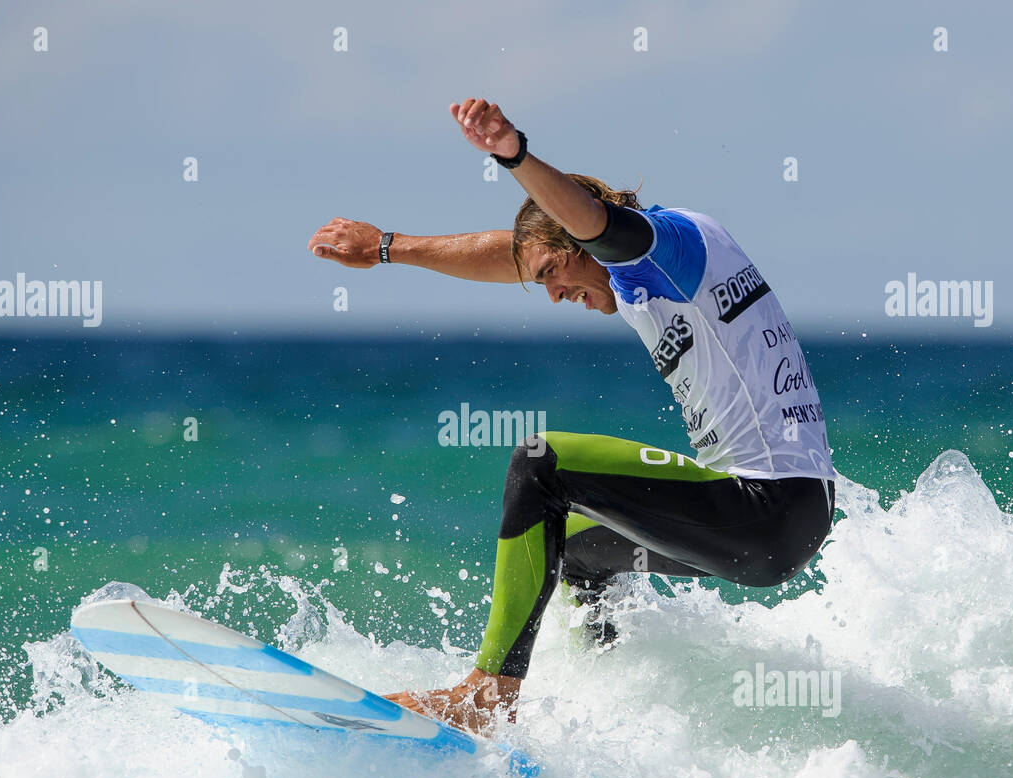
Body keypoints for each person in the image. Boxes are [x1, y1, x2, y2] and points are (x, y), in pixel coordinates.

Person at [307, 98, 836, 736]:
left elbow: (586, 223)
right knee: (579, 552)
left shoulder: (663, 244)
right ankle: (611, 713)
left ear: (583, 238)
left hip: (768, 507)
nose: (554, 294)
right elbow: (511, 253)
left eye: (555, 273)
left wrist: (514, 154)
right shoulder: (641, 262)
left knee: (541, 463)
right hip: (779, 519)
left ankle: (487, 696)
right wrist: (388, 248)